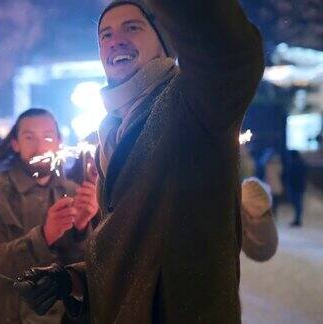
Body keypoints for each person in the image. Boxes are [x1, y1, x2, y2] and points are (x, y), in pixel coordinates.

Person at [15, 0, 264, 322]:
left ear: (164, 41)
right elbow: (131, 252)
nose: (115, 39)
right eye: (105, 35)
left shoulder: (192, 103)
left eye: (132, 27)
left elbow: (229, 54)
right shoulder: (110, 133)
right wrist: (72, 279)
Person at [0, 108, 99, 323]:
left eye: (48, 136)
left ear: (58, 142)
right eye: (29, 137)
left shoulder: (72, 192)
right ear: (15, 143)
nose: (39, 147)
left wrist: (81, 228)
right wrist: (44, 237)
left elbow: (78, 272)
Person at [283, 150, 307, 227]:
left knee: (297, 204)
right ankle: (297, 219)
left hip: (296, 187)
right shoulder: (300, 163)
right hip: (297, 187)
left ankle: (297, 220)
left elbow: (291, 175)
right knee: (297, 204)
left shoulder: (295, 163)